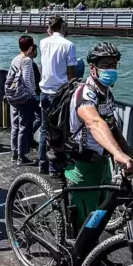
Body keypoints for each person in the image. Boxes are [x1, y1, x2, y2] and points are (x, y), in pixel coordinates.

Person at [63, 42, 133, 229]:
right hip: (84, 164)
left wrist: (126, 152)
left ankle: (95, 253)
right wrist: (117, 154)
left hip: (102, 163)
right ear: (93, 69)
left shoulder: (107, 93)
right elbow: (94, 122)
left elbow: (112, 126)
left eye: (113, 65)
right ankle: (79, 256)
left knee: (101, 212)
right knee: (84, 220)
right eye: (105, 65)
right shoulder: (85, 93)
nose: (110, 69)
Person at [38, 16, 77, 175]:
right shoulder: (69, 45)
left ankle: (43, 164)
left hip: (44, 92)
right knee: (60, 131)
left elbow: (43, 66)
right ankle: (56, 167)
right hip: (60, 94)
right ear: (62, 26)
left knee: (44, 129)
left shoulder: (42, 43)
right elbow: (71, 73)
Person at [9, 35, 38, 165]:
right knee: (24, 127)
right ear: (31, 47)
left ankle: (14, 153)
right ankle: (22, 156)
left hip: (13, 96)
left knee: (15, 125)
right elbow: (27, 81)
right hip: (24, 97)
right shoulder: (27, 61)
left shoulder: (16, 58)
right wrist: (32, 96)